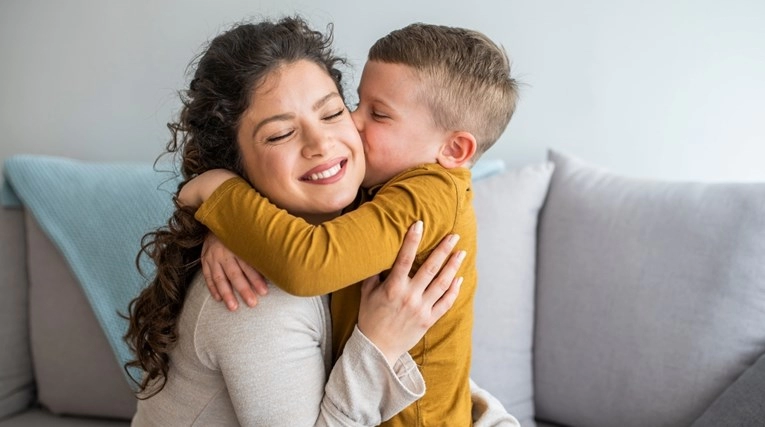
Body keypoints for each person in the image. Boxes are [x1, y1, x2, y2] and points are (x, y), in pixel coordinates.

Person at [124, 17, 467, 426]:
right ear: (237, 165)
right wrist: (379, 345)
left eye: (332, 113)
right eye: (281, 134)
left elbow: (436, 369)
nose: (321, 143)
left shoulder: (363, 221)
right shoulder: (252, 297)